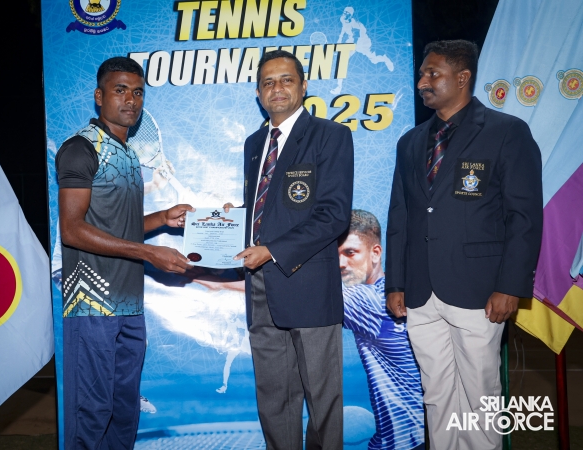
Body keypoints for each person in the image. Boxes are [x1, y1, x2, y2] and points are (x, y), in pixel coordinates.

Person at [385, 40, 543, 449]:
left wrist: (510, 286)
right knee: (436, 393)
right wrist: (396, 283)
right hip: (421, 292)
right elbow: (400, 217)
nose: (422, 82)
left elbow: (524, 217)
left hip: (479, 290)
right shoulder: (410, 142)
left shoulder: (507, 132)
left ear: (462, 77)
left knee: (479, 394)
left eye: (432, 74)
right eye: (422, 73)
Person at [56, 56, 194, 449]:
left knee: (123, 410)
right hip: (91, 305)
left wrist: (163, 218)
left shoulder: (129, 153)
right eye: (120, 90)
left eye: (137, 92)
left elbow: (118, 225)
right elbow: (72, 229)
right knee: (91, 411)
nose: (131, 100)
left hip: (130, 305)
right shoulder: (80, 148)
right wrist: (148, 254)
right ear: (99, 96)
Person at [224, 49, 354, 449]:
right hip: (260, 289)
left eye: (286, 80)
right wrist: (235, 219)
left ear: (304, 86)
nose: (276, 88)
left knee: (322, 401)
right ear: (258, 93)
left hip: (308, 284)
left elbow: (333, 215)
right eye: (268, 82)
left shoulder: (330, 135)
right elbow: (273, 208)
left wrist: (271, 250)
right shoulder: (254, 143)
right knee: (274, 399)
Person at [339, 210, 424, 450]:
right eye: (334, 255)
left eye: (350, 253)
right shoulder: (394, 292)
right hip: (419, 435)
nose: (340, 263)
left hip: (405, 442)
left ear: (375, 253)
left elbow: (292, 295)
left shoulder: (367, 300)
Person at [331, 6, 394, 95]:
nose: (345, 14)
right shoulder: (342, 19)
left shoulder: (356, 26)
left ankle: (385, 58)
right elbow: (342, 33)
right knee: (342, 63)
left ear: (351, 16)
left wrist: (344, 49)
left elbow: (356, 39)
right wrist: (337, 47)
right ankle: (339, 87)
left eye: (347, 13)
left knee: (374, 60)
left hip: (363, 42)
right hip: (351, 40)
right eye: (344, 12)